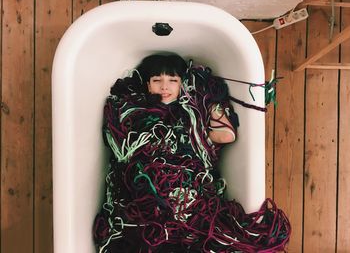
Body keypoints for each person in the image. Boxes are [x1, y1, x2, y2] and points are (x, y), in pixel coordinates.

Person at [93, 53, 290, 252]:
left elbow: (226, 135)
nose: (164, 86)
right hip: (144, 183)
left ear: (182, 85)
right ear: (147, 84)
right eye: (156, 80)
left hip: (187, 188)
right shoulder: (135, 111)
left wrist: (209, 99)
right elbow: (119, 143)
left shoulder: (191, 116)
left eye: (172, 80)